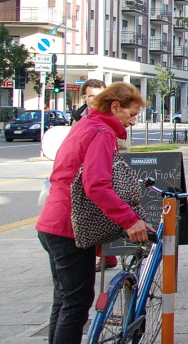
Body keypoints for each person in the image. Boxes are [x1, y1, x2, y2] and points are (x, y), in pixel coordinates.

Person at [36, 82, 153, 343]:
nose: (133, 122)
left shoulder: (85, 125)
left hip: (52, 222)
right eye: (131, 114)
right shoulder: (102, 132)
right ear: (115, 107)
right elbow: (96, 184)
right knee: (77, 304)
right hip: (70, 227)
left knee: (65, 300)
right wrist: (130, 219)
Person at [68, 79, 119, 272]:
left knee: (103, 214)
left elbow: (121, 149)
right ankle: (95, 254)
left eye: (100, 95)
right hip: (80, 175)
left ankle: (108, 255)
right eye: (91, 96)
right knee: (87, 216)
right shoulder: (79, 117)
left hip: (100, 173)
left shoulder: (109, 120)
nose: (95, 100)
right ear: (84, 97)